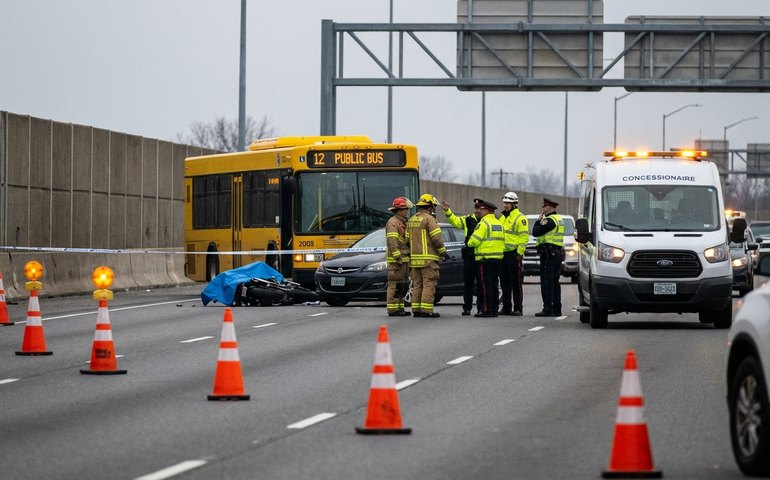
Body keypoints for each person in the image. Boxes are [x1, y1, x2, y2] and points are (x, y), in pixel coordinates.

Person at [406, 194, 448, 318]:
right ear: (430, 207)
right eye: (433, 207)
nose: (433, 209)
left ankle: (416, 309)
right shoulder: (429, 219)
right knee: (429, 284)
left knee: (417, 284)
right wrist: (443, 252)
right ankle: (426, 310)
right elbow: (436, 238)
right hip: (428, 260)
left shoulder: (411, 220)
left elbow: (406, 240)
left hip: (415, 260)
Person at [441, 199, 480, 316]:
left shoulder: (487, 220)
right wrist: (447, 211)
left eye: (480, 208)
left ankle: (481, 306)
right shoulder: (468, 219)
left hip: (481, 255)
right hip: (469, 255)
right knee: (468, 283)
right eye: (476, 208)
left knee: (481, 283)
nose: (478, 211)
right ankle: (467, 307)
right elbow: (455, 221)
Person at [467, 198, 505, 317]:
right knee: (494, 285)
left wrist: (469, 241)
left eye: (481, 210)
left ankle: (485, 309)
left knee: (484, 286)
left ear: (487, 211)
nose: (479, 212)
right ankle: (494, 310)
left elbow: (474, 241)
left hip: (484, 260)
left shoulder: (483, 224)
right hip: (497, 259)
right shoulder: (499, 223)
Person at [532, 197, 565, 317]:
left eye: (545, 207)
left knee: (547, 281)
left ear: (551, 208)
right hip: (556, 253)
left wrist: (538, 220)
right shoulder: (559, 219)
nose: (543, 210)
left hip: (548, 254)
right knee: (555, 282)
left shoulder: (549, 221)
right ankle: (557, 308)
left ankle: (548, 308)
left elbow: (535, 232)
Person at [498, 192, 528, 316]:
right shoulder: (502, 218)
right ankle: (506, 307)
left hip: (514, 254)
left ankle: (518, 308)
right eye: (504, 203)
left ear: (514, 204)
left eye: (508, 203)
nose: (505, 205)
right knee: (504, 282)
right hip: (503, 254)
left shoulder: (520, 218)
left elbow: (524, 237)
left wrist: (519, 253)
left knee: (516, 283)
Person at [385, 196, 413, 317]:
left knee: (403, 285)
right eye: (406, 209)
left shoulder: (402, 222)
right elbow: (392, 241)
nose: (407, 211)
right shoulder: (393, 223)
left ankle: (400, 307)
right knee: (395, 285)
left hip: (404, 260)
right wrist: (397, 258)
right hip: (397, 261)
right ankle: (392, 309)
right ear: (400, 210)